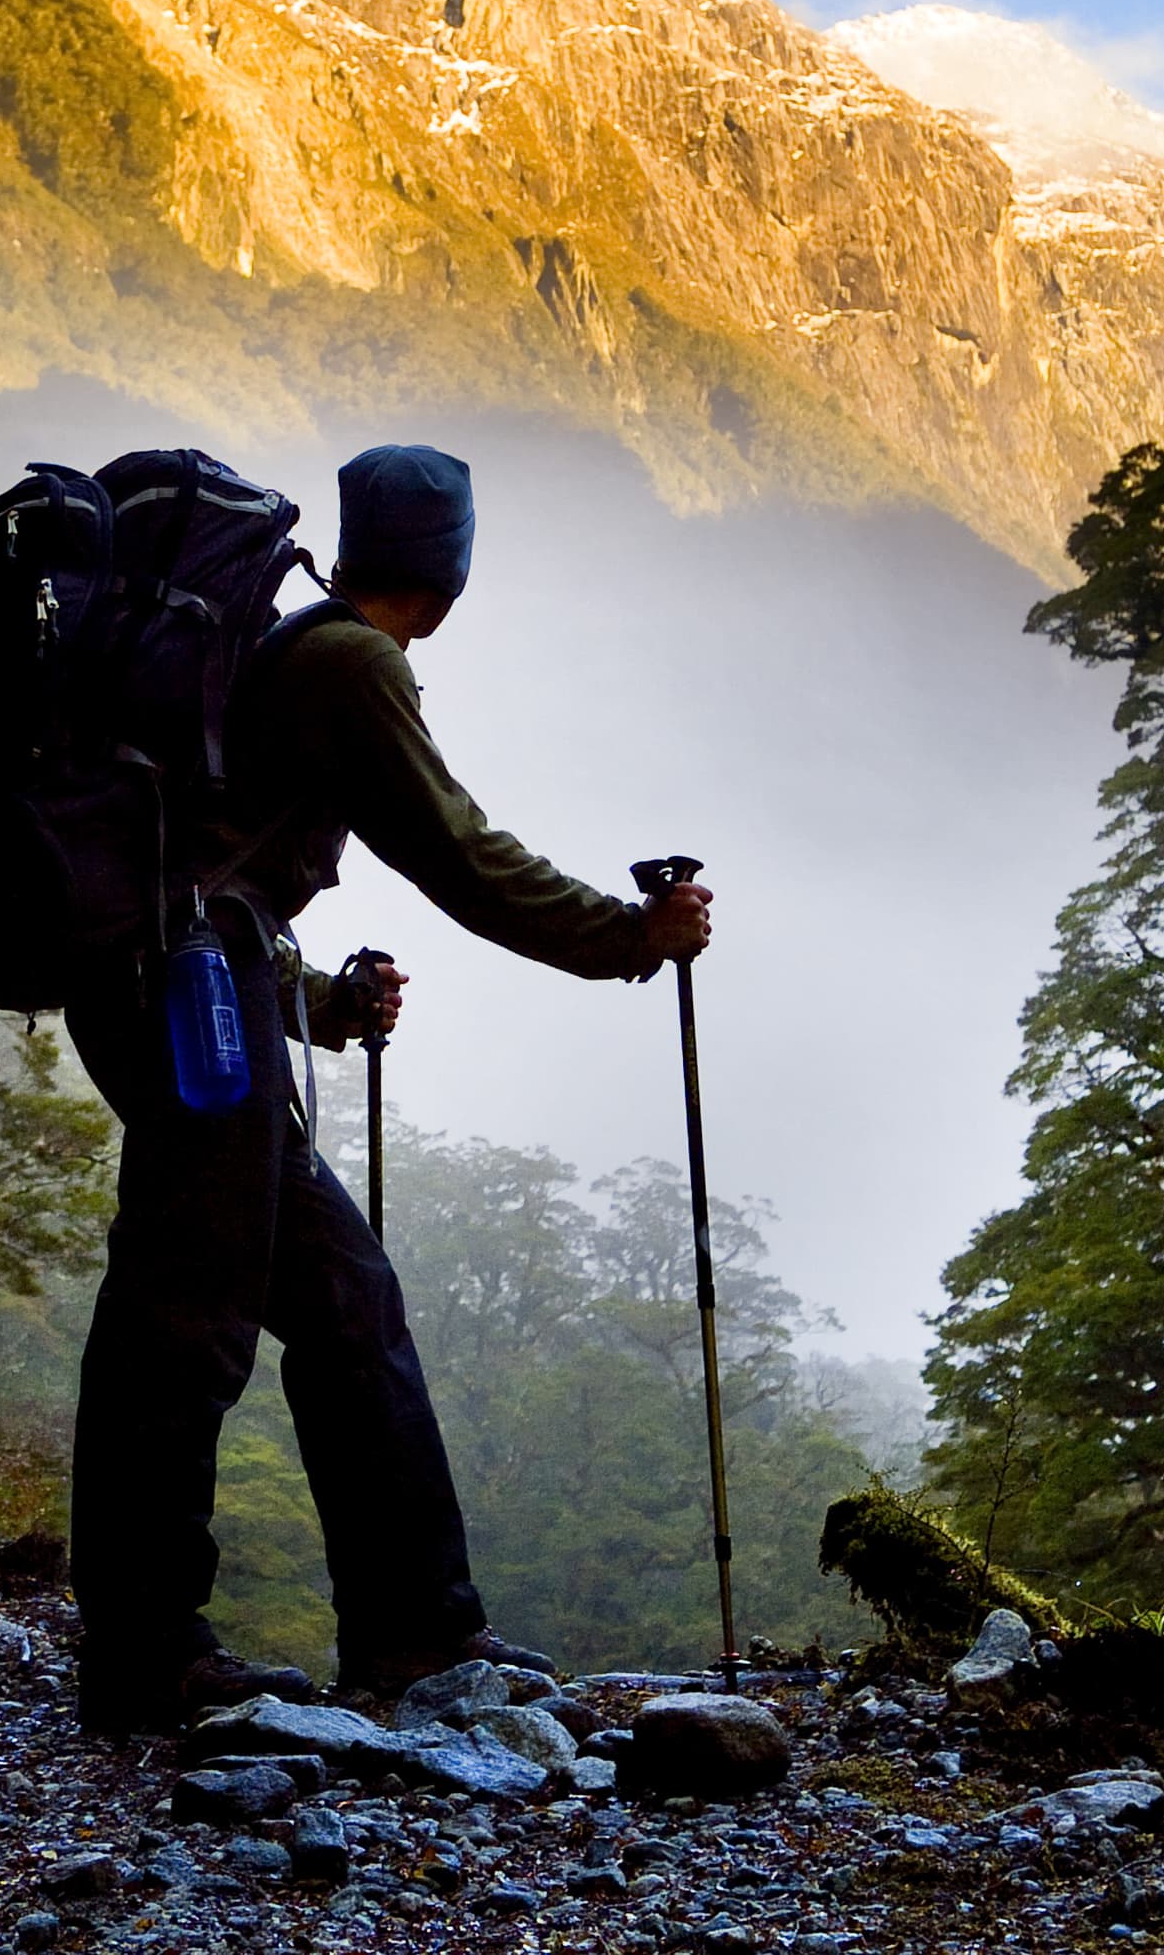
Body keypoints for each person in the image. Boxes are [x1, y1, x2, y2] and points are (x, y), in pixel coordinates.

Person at [65, 442, 716, 1732]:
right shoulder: (353, 663)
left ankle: (416, 1637)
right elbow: (458, 852)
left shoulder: (285, 641)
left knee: (346, 1304)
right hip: (195, 1000)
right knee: (182, 1319)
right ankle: (145, 1654)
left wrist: (313, 1003)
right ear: (453, 571)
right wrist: (628, 939)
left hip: (186, 989)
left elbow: (205, 861)